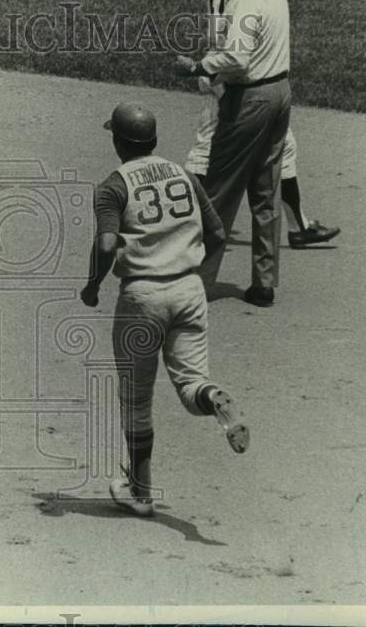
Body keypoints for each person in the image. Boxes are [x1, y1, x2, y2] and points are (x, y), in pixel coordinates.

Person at [80, 102, 249, 518]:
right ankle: (215, 399)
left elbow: (105, 245)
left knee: (136, 399)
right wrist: (190, 269)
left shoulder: (112, 187)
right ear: (153, 141)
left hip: (143, 298)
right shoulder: (184, 174)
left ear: (119, 142)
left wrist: (94, 284)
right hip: (190, 291)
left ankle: (141, 492)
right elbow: (219, 231)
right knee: (192, 385)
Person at [184, 0, 340, 252]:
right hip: (227, 73)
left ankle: (300, 226)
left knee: (284, 147)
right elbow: (239, 39)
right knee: (202, 155)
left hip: (227, 67)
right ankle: (177, 223)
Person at [175, 0, 295, 308]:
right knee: (265, 192)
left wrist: (198, 67)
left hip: (251, 100)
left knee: (219, 193)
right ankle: (263, 284)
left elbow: (238, 58)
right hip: (280, 94)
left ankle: (197, 282)